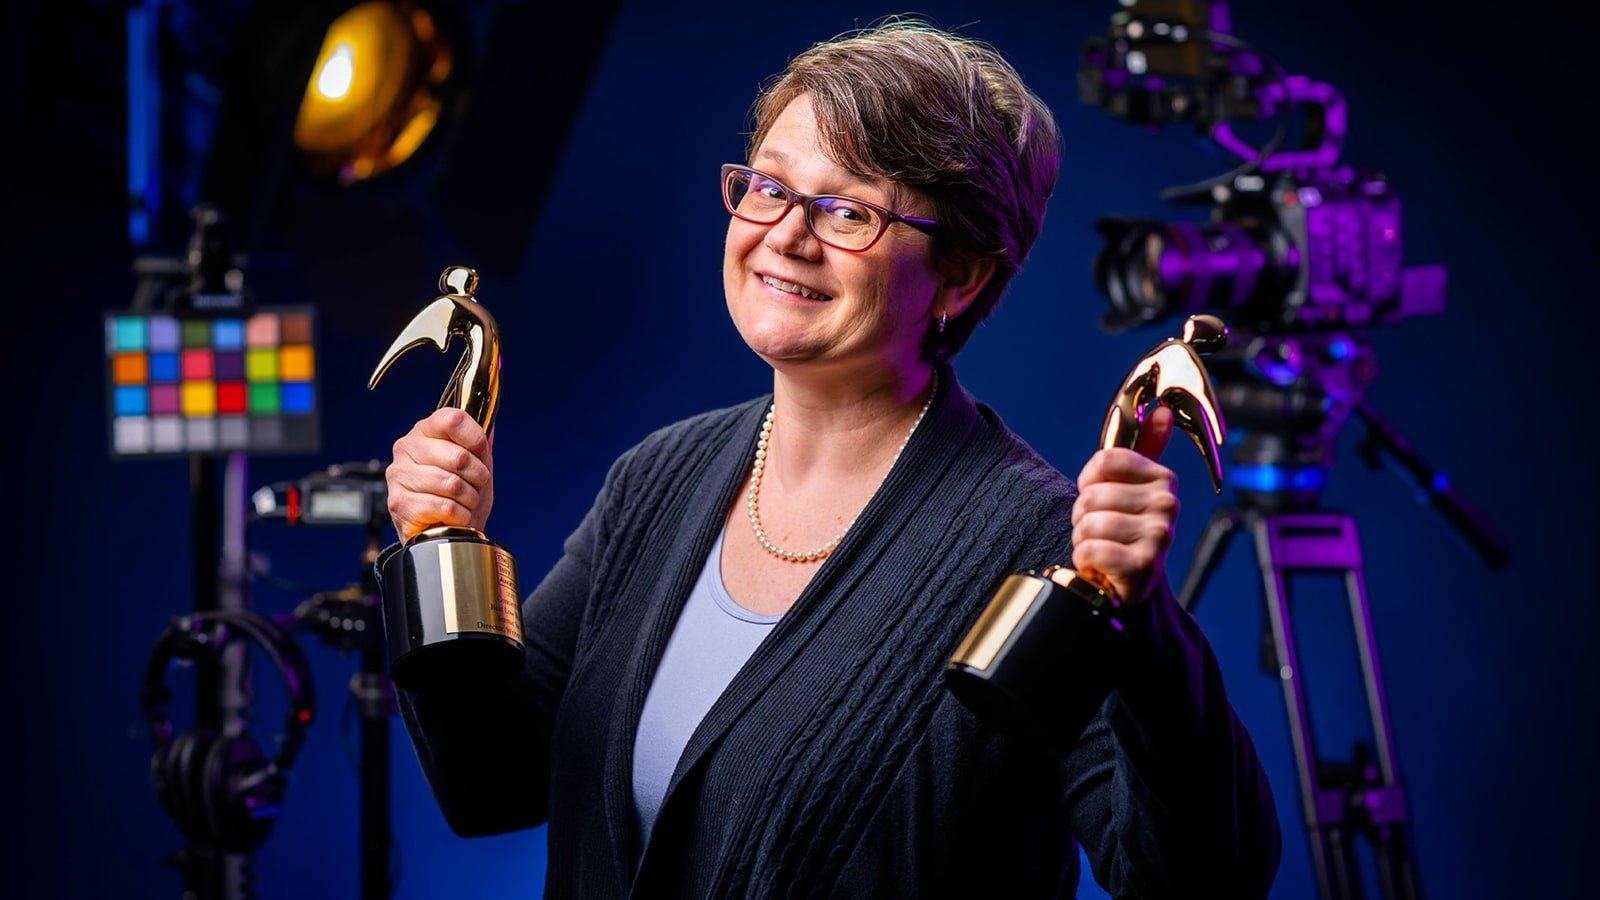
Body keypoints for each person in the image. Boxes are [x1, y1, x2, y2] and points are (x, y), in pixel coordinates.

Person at [384, 21, 1280, 899]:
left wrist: (1140, 621)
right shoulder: (659, 478)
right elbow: (488, 785)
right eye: (768, 187)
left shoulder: (1041, 540)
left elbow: (1198, 880)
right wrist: (439, 545)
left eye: (848, 210)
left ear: (962, 275)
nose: (786, 234)